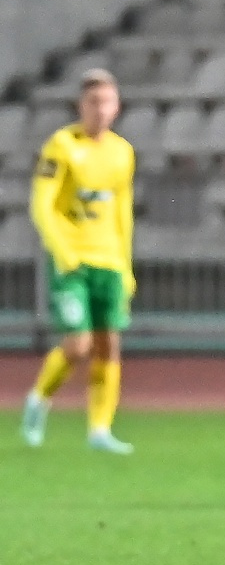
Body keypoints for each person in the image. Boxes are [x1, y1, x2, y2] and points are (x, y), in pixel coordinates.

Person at [20, 69, 137, 454]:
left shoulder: (122, 152)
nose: (100, 110)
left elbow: (122, 211)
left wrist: (126, 265)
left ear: (117, 107)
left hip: (109, 262)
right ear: (80, 106)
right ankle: (38, 400)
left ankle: (100, 429)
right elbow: (42, 204)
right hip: (73, 261)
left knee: (109, 345)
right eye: (93, 102)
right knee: (77, 344)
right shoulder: (62, 146)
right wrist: (62, 250)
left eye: (107, 102)